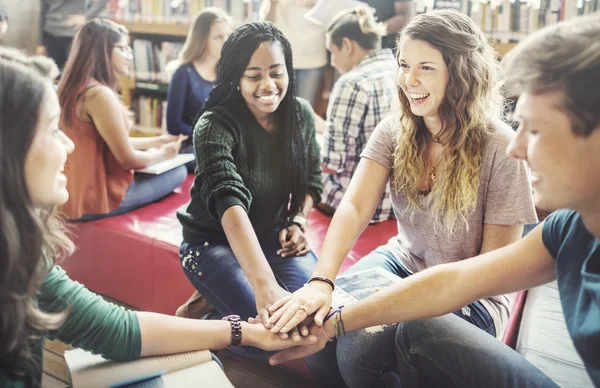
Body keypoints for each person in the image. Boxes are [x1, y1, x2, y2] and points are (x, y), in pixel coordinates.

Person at [267, 12, 600, 388]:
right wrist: (321, 282)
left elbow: (479, 278)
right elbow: (355, 207)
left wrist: (367, 311)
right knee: (324, 334)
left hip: (473, 295)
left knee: (360, 347)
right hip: (407, 261)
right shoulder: (395, 130)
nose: (410, 79)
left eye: (425, 67)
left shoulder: (498, 146)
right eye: (404, 65)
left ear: (459, 75)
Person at [0, 54, 318, 387]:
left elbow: (115, 330)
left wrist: (244, 331)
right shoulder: (216, 124)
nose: (68, 144)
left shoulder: (24, 258)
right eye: (53, 129)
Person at [176, 21, 323, 365]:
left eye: (276, 72)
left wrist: (297, 221)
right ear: (235, 78)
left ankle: (210, 299)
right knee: (271, 337)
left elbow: (312, 181)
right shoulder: (214, 124)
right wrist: (264, 287)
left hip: (271, 236)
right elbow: (230, 202)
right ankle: (193, 320)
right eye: (253, 75)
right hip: (210, 243)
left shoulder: (299, 114)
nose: (268, 85)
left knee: (313, 316)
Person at [58, 19, 188, 221]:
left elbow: (107, 141)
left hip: (71, 192)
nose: (130, 56)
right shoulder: (99, 95)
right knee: (179, 171)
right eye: (124, 49)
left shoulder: (73, 87)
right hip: (93, 199)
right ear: (103, 50)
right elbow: (128, 160)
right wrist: (164, 154)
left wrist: (155, 141)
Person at [319, 6, 397, 223]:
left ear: (346, 45)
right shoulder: (398, 70)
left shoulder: (352, 83)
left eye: (331, 52)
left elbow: (331, 163)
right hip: (399, 204)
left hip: (360, 205)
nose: (332, 61)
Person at [166, 7, 232, 172]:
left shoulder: (226, 74)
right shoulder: (183, 73)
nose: (225, 42)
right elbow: (174, 125)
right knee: (221, 165)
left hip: (220, 145)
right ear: (202, 39)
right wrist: (210, 135)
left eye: (227, 36)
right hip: (191, 148)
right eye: (218, 37)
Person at [260, 0, 328, 107]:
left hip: (313, 57)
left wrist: (316, 4)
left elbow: (332, 13)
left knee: (304, 109)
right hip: (283, 58)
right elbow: (267, 25)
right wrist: (273, 3)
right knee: (280, 107)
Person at [38, 0, 108, 70]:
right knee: (55, 72)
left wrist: (87, 17)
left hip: (72, 33)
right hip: (50, 31)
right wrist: (40, 41)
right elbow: (42, 8)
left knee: (76, 71)